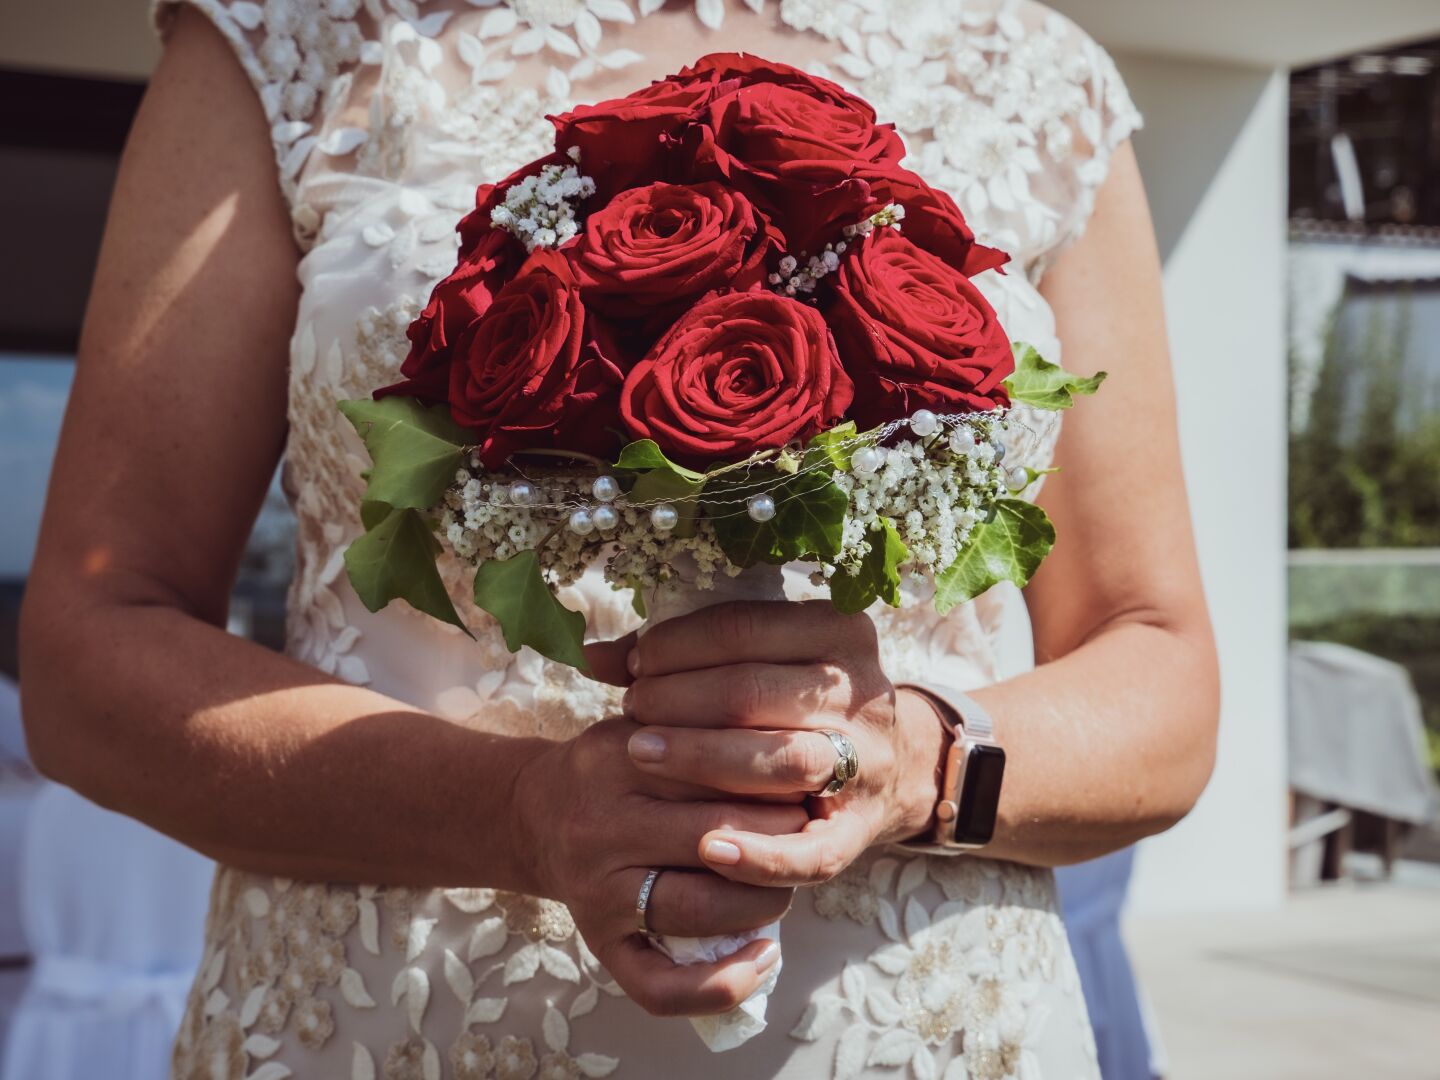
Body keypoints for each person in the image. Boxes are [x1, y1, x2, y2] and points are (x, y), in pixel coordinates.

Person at [18, 1, 1219, 1076]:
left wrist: (917, 764)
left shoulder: (1034, 72)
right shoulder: (294, 37)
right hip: (390, 1022)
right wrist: (517, 811)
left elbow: (1157, 664)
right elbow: (94, 643)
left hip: (923, 1028)